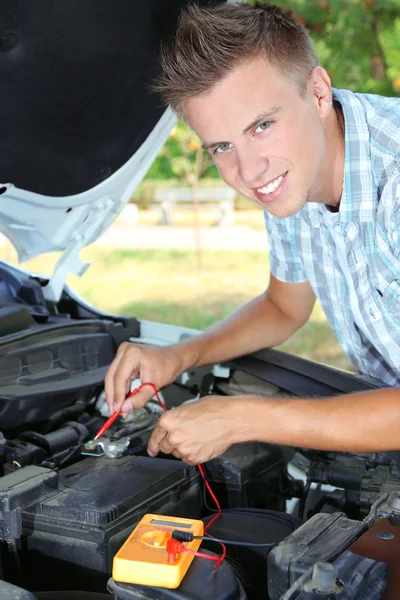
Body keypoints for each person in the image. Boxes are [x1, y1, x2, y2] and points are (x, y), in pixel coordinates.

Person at [104, 2, 400, 466]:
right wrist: (179, 357)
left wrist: (243, 418)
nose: (247, 170)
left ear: (318, 92)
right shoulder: (289, 174)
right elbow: (285, 307)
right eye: (222, 146)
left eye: (262, 126)